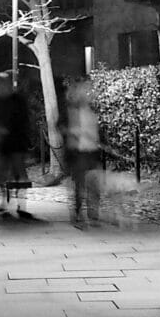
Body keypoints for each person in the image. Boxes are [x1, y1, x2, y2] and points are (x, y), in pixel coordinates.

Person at [0, 74, 34, 218]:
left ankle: (20, 204)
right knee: (3, 174)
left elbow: (24, 120)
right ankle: (6, 201)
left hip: (15, 141)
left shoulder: (16, 101)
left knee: (19, 174)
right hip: (3, 143)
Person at [59, 79, 102, 225]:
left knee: (94, 183)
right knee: (80, 184)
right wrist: (74, 132)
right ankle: (78, 212)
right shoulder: (69, 111)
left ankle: (92, 211)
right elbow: (60, 126)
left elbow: (97, 130)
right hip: (77, 152)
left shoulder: (90, 111)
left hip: (92, 150)